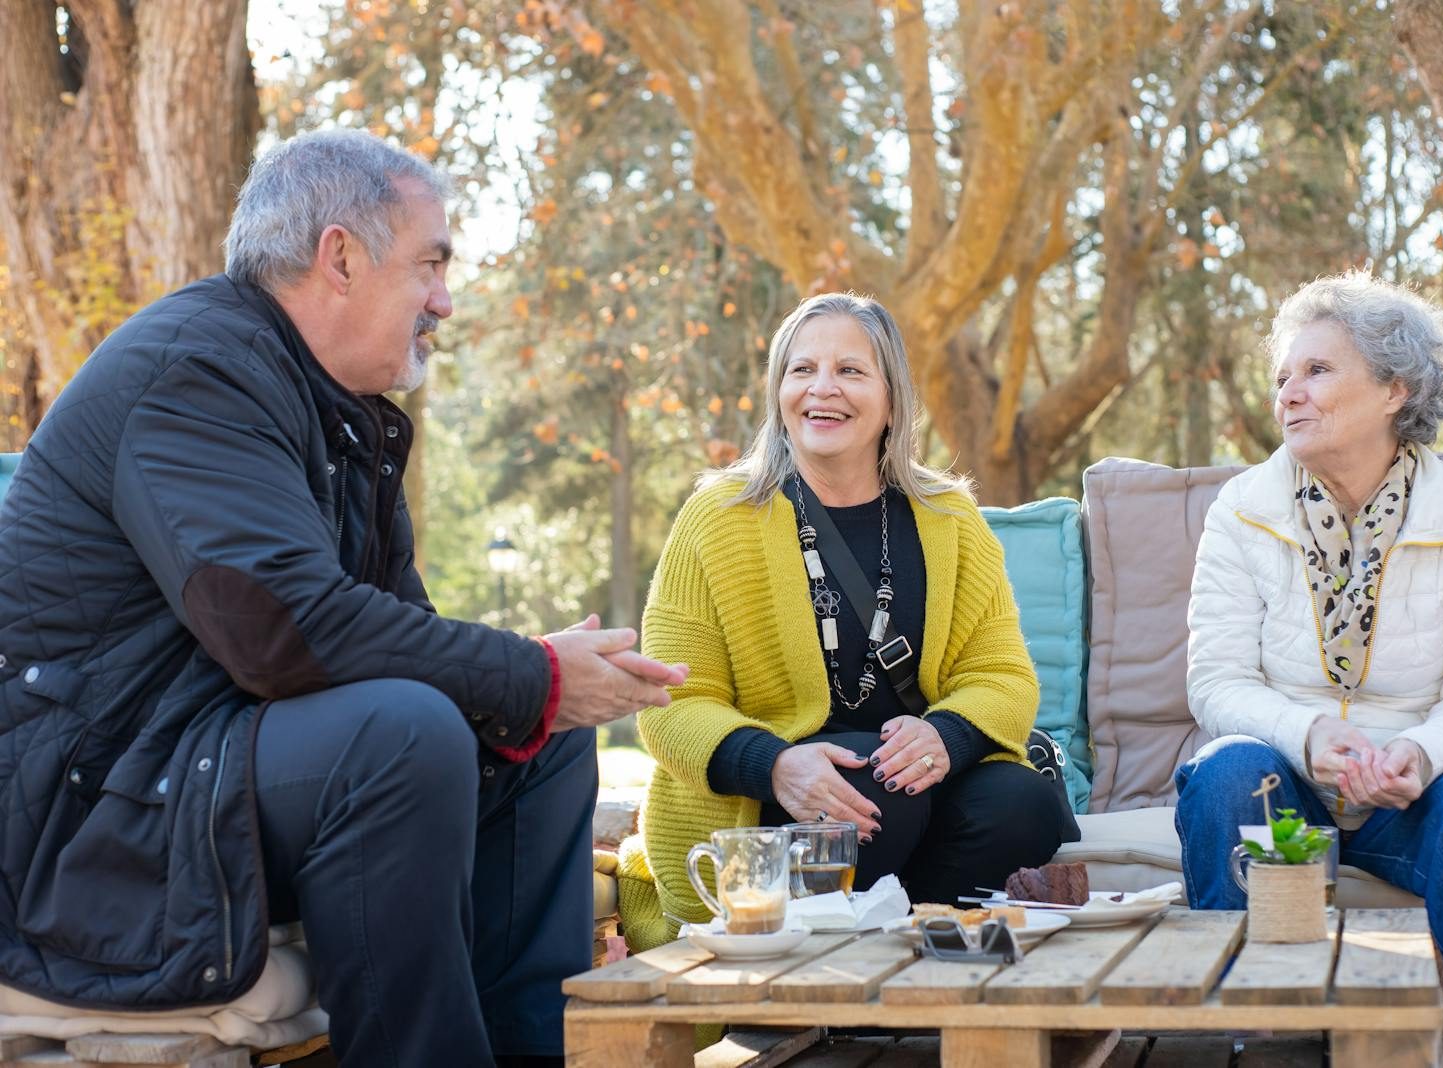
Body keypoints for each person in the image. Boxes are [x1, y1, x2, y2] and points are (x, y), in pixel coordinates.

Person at [0, 129, 687, 1068]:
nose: (444, 300)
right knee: (405, 732)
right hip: (91, 815)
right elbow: (281, 630)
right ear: (341, 258)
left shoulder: (337, 416)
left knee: (537, 744)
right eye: (430, 265)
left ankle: (529, 1053)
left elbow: (392, 637)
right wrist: (527, 671)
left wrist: (535, 680)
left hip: (203, 765)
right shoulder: (197, 372)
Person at [1177, 271, 1443, 1067]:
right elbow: (1215, 683)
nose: (1289, 393)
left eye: (1317, 371)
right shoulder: (1242, 508)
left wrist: (1421, 755)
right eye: (1283, 376)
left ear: (1396, 388)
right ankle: (1256, 1045)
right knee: (1227, 771)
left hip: (1412, 798)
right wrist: (1310, 733)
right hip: (1284, 782)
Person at [615, 292, 1076, 951]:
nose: (821, 390)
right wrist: (774, 764)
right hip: (776, 804)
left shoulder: (949, 517)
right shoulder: (718, 517)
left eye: (850, 371)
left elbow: (1002, 674)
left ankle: (902, 954)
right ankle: (842, 981)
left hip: (903, 786)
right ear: (779, 391)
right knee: (875, 788)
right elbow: (670, 701)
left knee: (1021, 805)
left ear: (892, 397)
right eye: (801, 371)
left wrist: (946, 736)